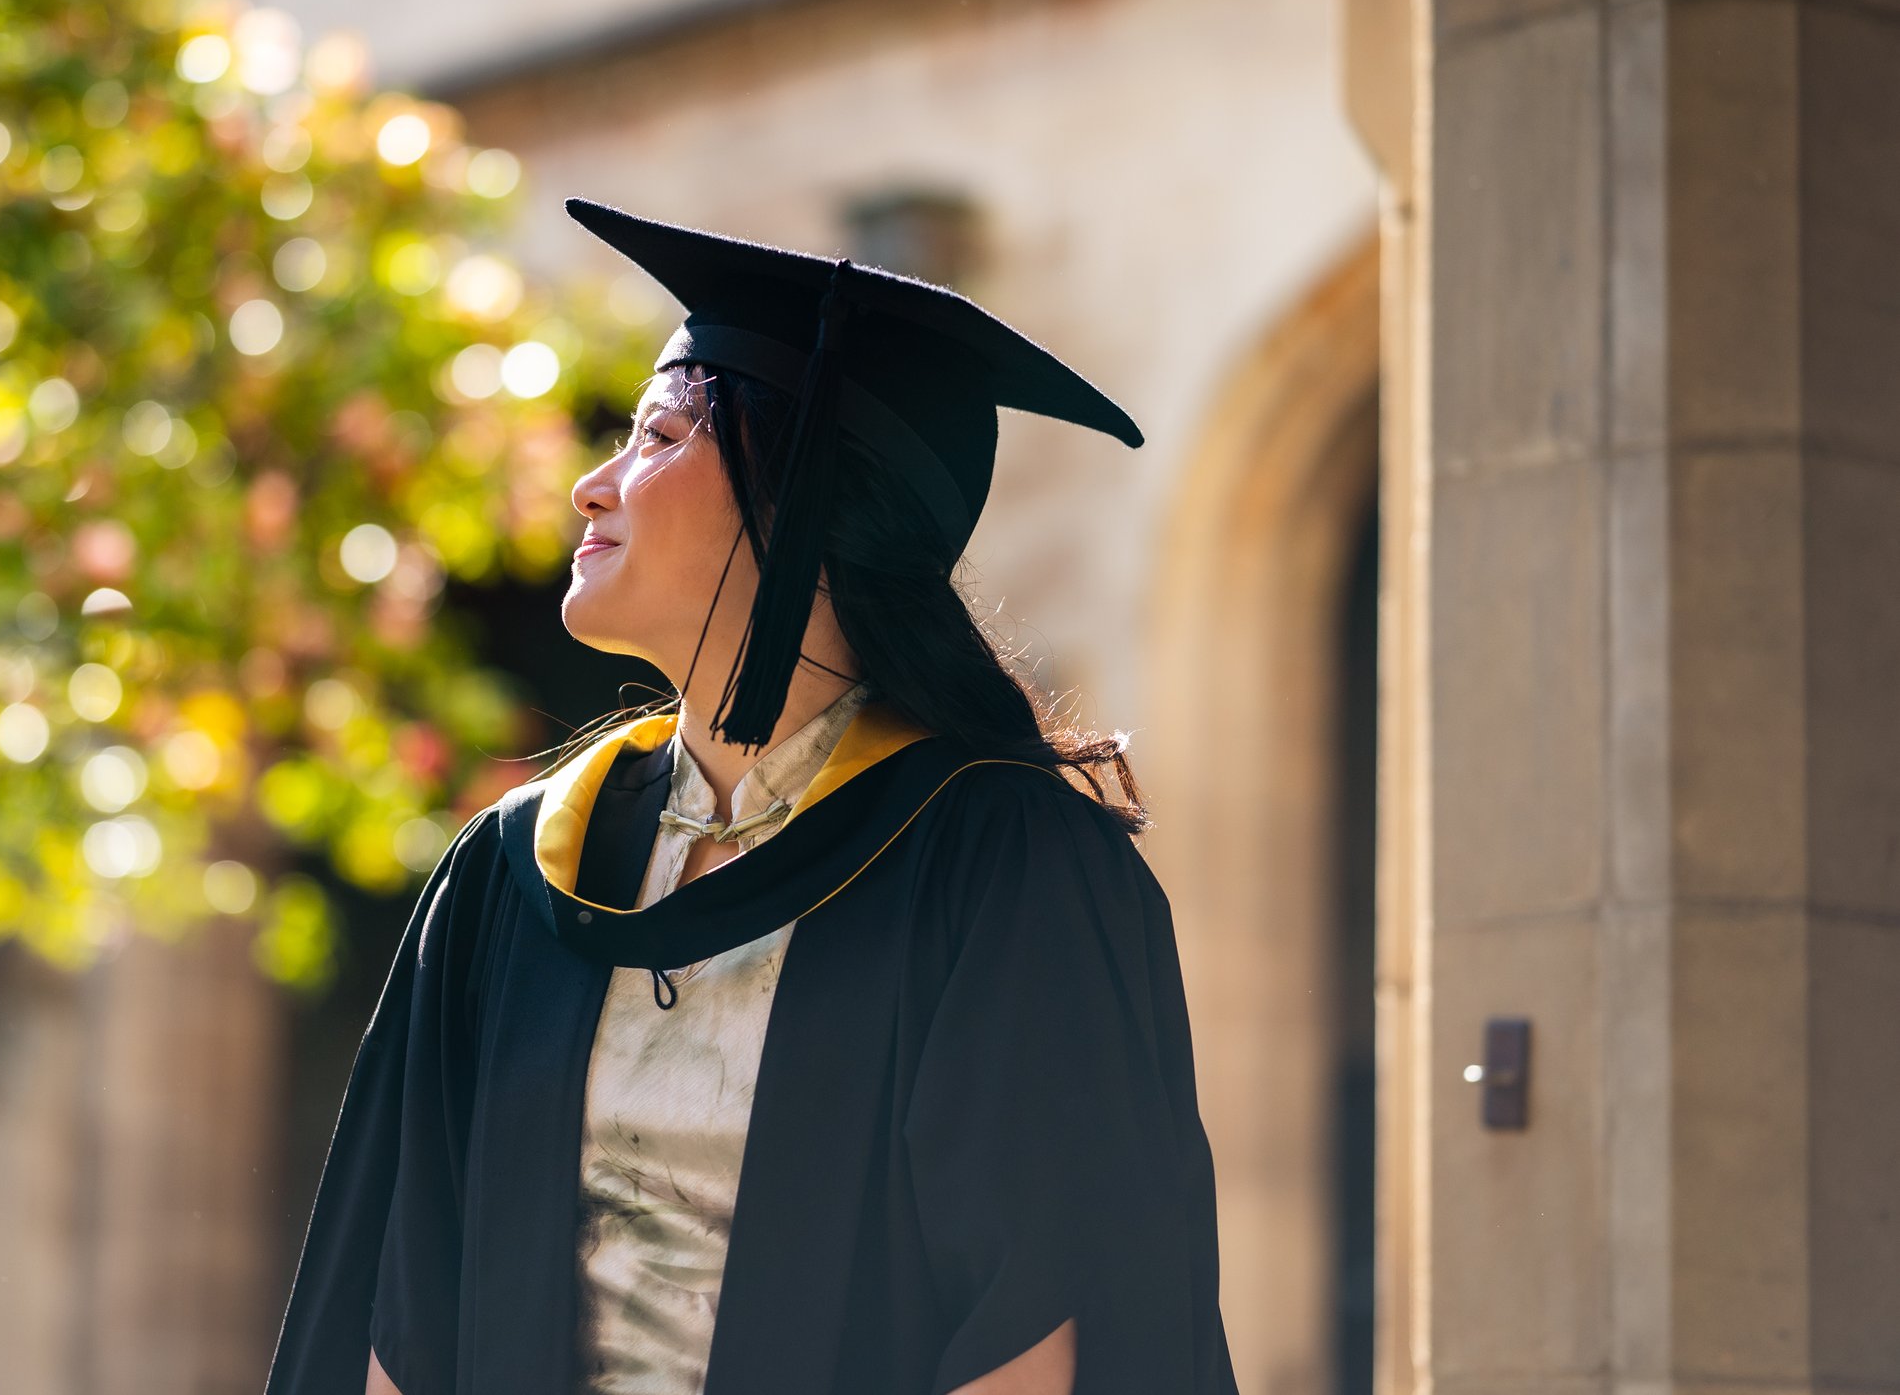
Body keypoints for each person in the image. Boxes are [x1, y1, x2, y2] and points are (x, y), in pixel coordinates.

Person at [267, 200, 1239, 1395]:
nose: (592, 485)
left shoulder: (995, 862)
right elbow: (402, 1311)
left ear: (806, 499)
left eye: (659, 436)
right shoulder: (515, 873)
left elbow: (1036, 1328)